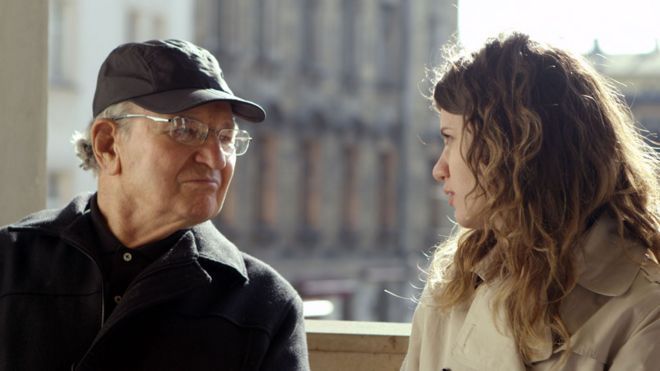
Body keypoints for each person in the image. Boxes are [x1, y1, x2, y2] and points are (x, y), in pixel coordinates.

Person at [0, 39, 310, 371]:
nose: (217, 158)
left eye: (226, 138)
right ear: (107, 145)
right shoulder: (9, 262)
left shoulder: (264, 304)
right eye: (186, 130)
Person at [401, 33, 660, 370]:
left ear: (509, 150)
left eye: (450, 138)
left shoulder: (643, 310)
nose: (439, 169)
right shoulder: (453, 282)